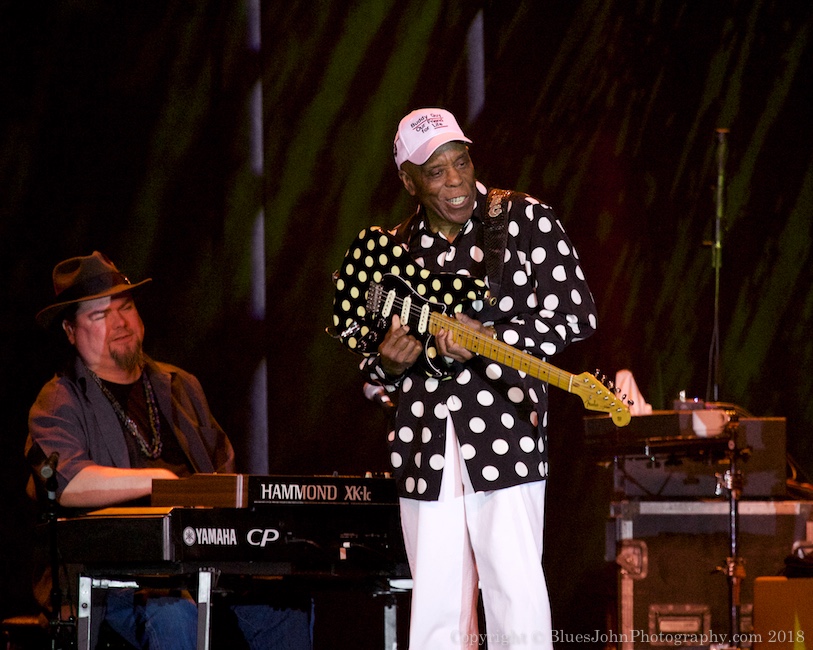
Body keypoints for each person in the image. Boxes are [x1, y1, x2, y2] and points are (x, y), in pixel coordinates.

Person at [359, 108, 598, 649]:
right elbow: (371, 375)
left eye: (460, 162)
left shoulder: (523, 219)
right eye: (436, 170)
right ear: (408, 181)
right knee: (436, 608)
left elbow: (576, 316)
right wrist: (388, 366)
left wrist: (488, 336)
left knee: (515, 597)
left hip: (505, 433)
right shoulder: (390, 251)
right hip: (422, 445)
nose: (455, 180)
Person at [25, 251, 312, 650]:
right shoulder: (60, 400)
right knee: (174, 618)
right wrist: (159, 482)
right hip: (110, 585)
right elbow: (65, 481)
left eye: (125, 307)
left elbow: (224, 477)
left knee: (285, 607)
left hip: (199, 571)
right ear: (71, 331)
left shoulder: (179, 385)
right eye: (100, 315)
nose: (120, 322)